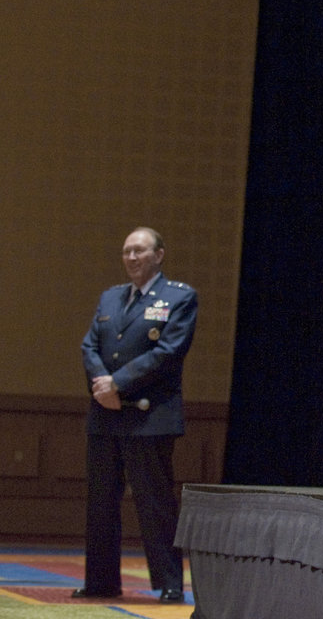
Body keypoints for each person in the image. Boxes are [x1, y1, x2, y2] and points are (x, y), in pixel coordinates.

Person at [73, 227, 198, 601]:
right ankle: (101, 581)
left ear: (159, 255)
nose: (131, 257)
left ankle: (170, 583)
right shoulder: (111, 298)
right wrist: (101, 384)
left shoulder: (179, 297)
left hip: (150, 417)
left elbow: (168, 352)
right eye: (127, 251)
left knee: (154, 502)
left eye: (140, 251)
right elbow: (89, 345)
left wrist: (118, 385)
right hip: (106, 416)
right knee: (100, 502)